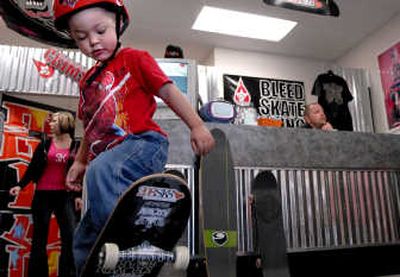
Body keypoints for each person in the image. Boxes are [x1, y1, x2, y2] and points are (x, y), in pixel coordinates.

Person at [52, 0, 215, 274]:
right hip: (111, 159)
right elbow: (90, 126)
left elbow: (169, 92)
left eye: (100, 30)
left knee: (102, 170)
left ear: (118, 23)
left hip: (144, 144)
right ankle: (95, 268)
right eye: (81, 37)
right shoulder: (87, 82)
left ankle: (133, 241)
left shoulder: (135, 59)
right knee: (84, 235)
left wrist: (197, 125)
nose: (92, 41)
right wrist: (80, 162)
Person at [9, 112, 81, 277]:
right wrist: (20, 186)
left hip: (65, 195)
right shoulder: (44, 144)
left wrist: (79, 196)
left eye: (55, 121)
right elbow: (33, 167)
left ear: (64, 123)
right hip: (43, 195)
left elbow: (79, 174)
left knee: (69, 237)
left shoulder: (76, 147)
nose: (51, 124)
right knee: (39, 238)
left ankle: (67, 273)